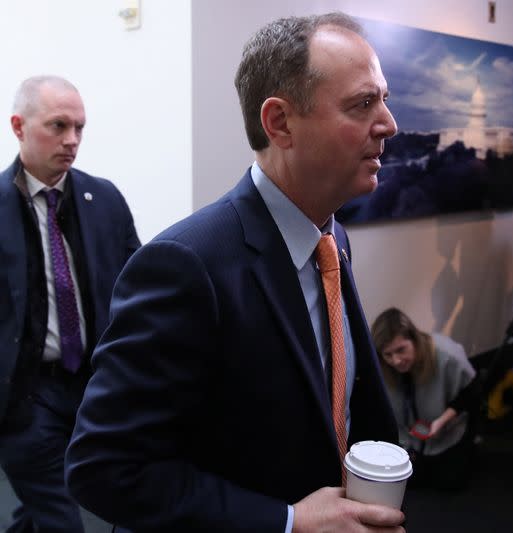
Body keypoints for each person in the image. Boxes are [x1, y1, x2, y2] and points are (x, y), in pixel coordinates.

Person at [65, 13, 404, 533]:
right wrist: (287, 521)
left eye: (383, 98)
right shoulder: (185, 265)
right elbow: (104, 468)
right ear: (280, 123)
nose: (389, 123)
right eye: (363, 104)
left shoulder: (331, 238)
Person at [0, 76, 140, 532]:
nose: (72, 140)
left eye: (80, 127)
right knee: (62, 518)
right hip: (25, 395)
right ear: (18, 126)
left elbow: (137, 288)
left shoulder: (104, 200)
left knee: (47, 508)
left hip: (90, 391)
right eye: (58, 126)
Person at [371, 308, 478, 490]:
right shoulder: (381, 365)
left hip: (447, 433)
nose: (396, 361)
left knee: (449, 485)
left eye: (401, 350)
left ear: (414, 338)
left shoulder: (446, 354)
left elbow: (472, 393)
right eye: (388, 354)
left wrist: (442, 421)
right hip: (409, 439)